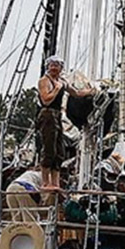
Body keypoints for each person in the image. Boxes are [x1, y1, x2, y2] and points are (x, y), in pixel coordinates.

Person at [37, 56, 91, 200]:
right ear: (48, 66)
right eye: (52, 65)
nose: (54, 68)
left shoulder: (62, 81)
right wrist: (56, 89)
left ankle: (55, 182)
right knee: (49, 148)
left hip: (57, 115)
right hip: (47, 114)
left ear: (61, 68)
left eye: (57, 66)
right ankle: (45, 182)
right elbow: (45, 99)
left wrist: (91, 92)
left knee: (59, 150)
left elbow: (75, 93)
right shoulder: (45, 81)